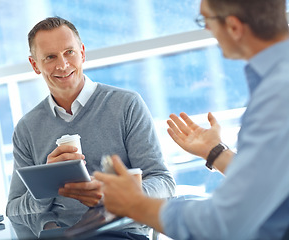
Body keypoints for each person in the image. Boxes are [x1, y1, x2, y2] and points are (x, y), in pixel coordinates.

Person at [94, 0, 289, 239]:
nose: (206, 29)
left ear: (234, 27)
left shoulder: (277, 96)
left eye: (205, 20)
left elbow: (225, 223)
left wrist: (135, 204)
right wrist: (215, 152)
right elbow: (269, 181)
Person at [6, 16, 175, 239]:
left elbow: (164, 183)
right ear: (35, 65)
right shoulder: (27, 128)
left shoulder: (126, 105)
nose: (63, 65)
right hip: (60, 235)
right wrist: (45, 186)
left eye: (69, 52)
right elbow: (13, 209)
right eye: (50, 57)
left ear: (83, 52)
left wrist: (116, 195)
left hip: (120, 234)